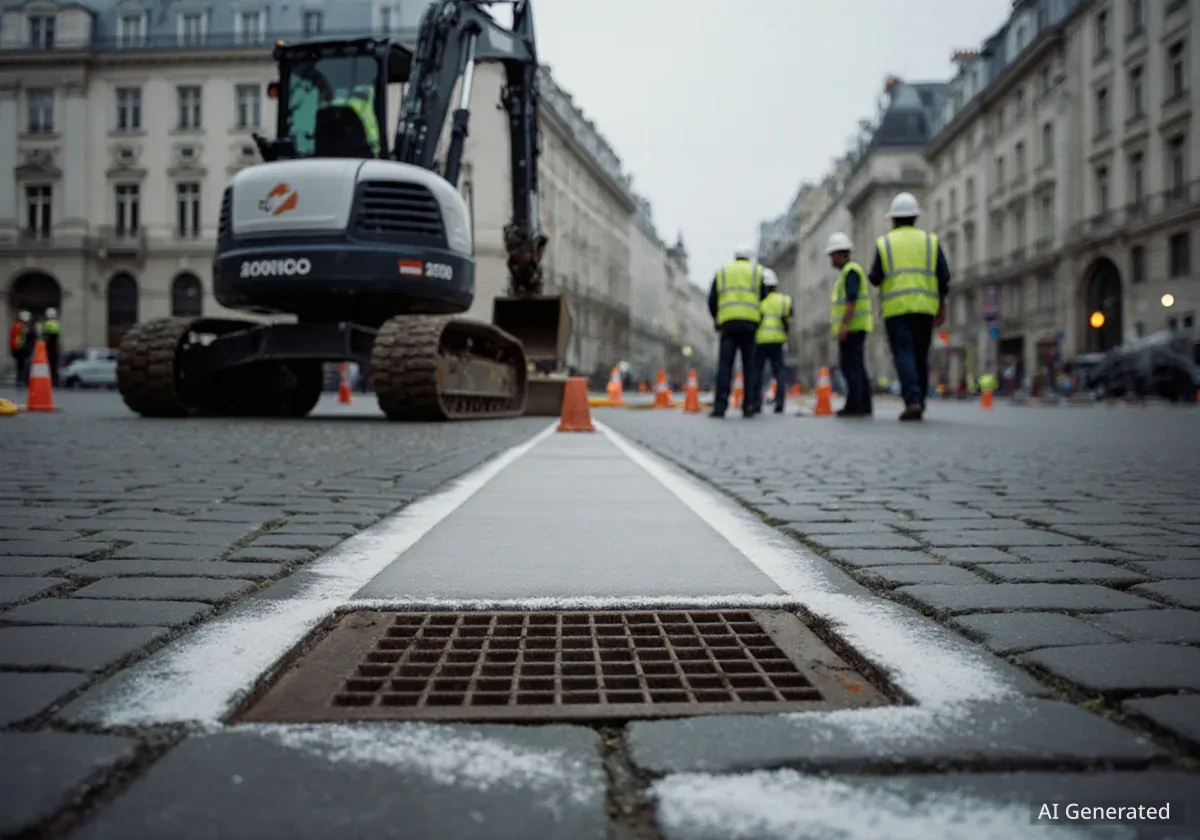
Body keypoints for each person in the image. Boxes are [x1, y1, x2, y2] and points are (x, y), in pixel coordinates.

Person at [867, 192, 951, 421]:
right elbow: (944, 276)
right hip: (925, 308)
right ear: (915, 217)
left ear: (893, 219)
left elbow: (874, 277)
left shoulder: (885, 243)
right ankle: (920, 401)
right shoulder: (930, 241)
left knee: (904, 354)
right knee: (921, 355)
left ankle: (912, 399)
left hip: (897, 309)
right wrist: (941, 306)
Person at [707, 246, 767, 418]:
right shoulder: (757, 271)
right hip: (750, 323)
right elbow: (763, 296)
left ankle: (720, 406)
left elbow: (712, 299)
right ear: (748, 258)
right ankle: (749, 405)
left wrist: (716, 318)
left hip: (728, 323)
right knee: (750, 366)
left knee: (725, 366)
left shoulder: (723, 272)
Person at [826, 232, 873, 417]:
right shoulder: (849, 272)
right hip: (856, 326)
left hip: (853, 327)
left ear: (840, 254)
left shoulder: (850, 271)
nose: (831, 260)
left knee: (850, 367)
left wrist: (844, 326)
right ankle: (864, 405)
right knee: (858, 366)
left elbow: (850, 301)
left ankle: (854, 405)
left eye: (832, 256)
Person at [753, 268, 792, 414]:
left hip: (760, 340)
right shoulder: (784, 300)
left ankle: (756, 403)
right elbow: (787, 320)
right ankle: (780, 403)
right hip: (778, 340)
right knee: (779, 372)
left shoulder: (757, 301)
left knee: (757, 373)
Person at [9, 310, 30, 387]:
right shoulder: (22, 326)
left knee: (19, 365)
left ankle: (19, 380)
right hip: (20, 348)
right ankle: (20, 380)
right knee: (21, 365)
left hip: (16, 348)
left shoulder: (15, 325)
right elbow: (22, 337)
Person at [41, 307, 61, 386]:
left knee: (49, 366)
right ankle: (55, 381)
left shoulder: (48, 323)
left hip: (49, 348)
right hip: (55, 348)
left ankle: (50, 381)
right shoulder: (57, 323)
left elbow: (45, 336)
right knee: (55, 366)